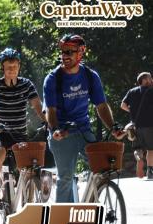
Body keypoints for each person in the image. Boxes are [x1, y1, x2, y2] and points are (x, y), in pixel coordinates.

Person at [43, 34, 121, 202]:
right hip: (62, 132)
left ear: (80, 53)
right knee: (66, 178)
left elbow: (101, 106)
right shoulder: (53, 79)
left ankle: (89, 209)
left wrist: (113, 127)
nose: (64, 56)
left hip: (84, 130)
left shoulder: (90, 76)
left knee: (102, 169)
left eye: (69, 52)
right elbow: (50, 110)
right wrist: (55, 129)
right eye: (62, 52)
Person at [0, 48, 46, 201]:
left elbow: (38, 106)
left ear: (19, 66)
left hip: (20, 133)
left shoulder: (26, 84)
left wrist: (49, 122)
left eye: (15, 66)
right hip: (0, 133)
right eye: (8, 66)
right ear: (2, 68)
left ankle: (28, 204)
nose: (12, 69)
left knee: (29, 168)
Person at [121, 72, 153, 179]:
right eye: (149, 78)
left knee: (138, 148)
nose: (151, 80)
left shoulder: (132, 91)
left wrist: (132, 111)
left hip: (135, 126)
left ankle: (139, 160)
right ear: (144, 80)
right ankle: (150, 171)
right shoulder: (151, 91)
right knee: (150, 149)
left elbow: (123, 105)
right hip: (149, 125)